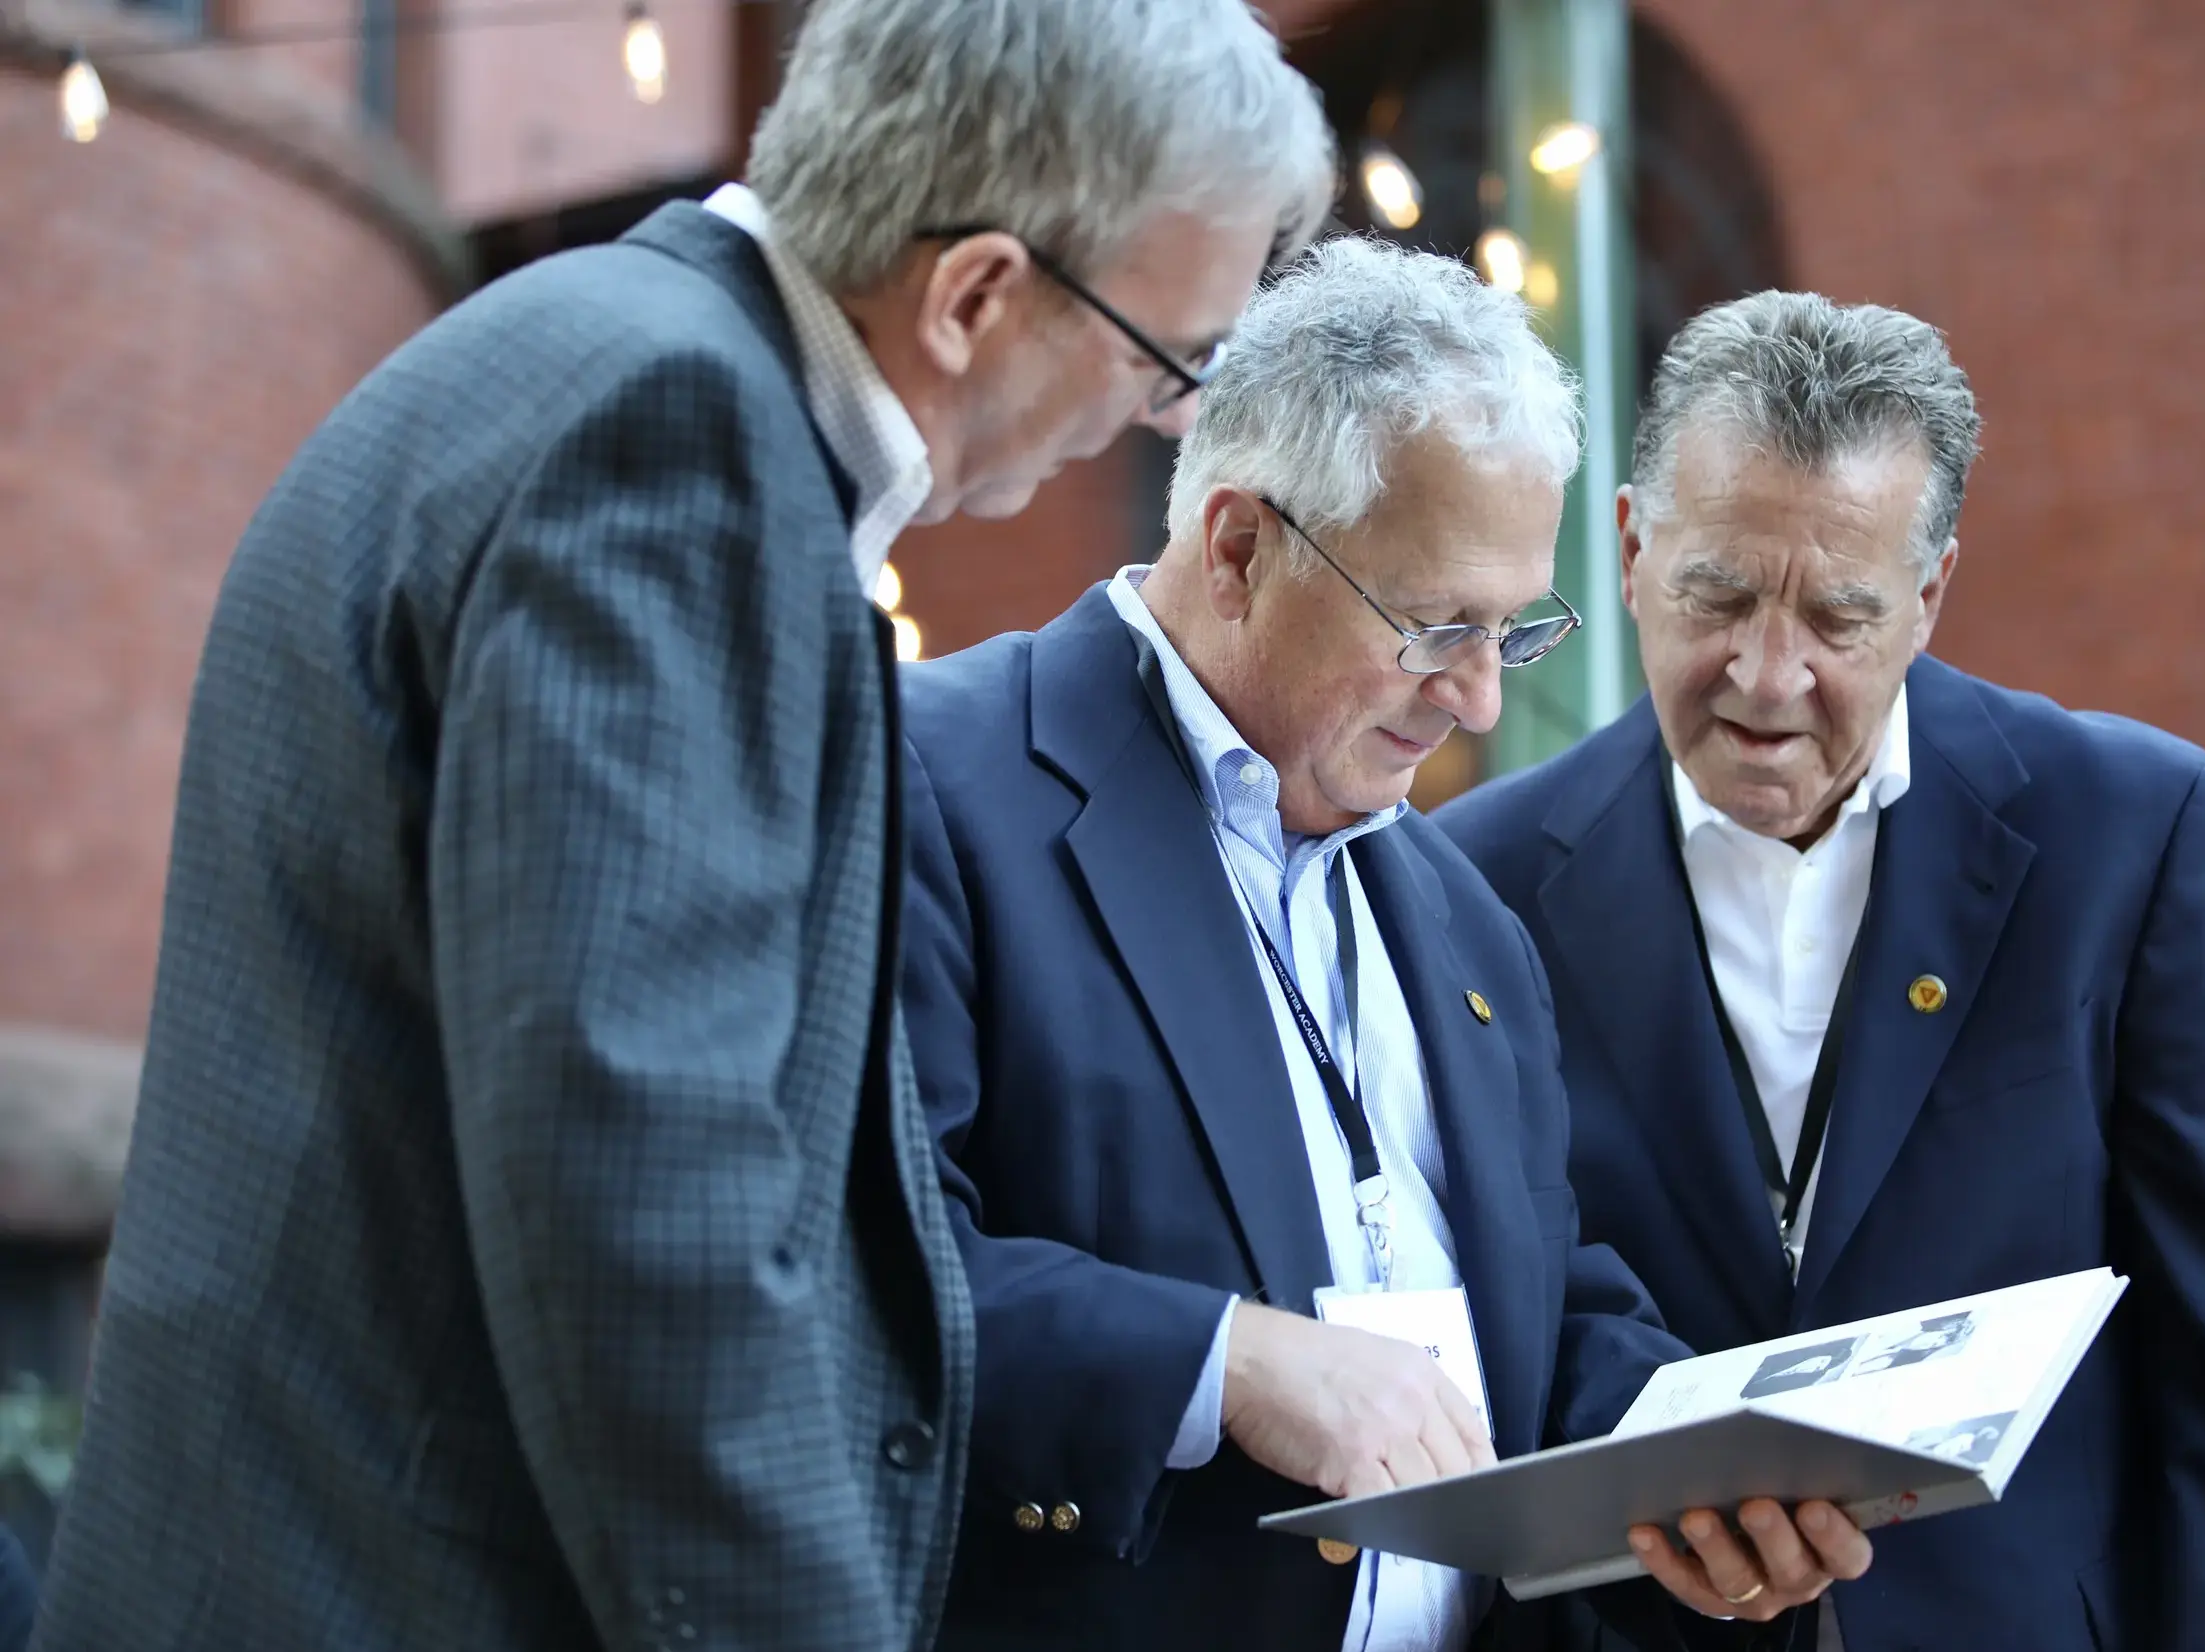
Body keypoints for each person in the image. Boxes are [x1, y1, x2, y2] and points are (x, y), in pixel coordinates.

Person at [34, 4, 1334, 1649]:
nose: (1157, 416)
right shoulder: (673, 441)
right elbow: (650, 1213)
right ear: (980, 294)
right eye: (1167, 358)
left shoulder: (602, 361)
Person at [897, 240, 1872, 1652]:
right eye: (1434, 629)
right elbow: (846, 1265)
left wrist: (1705, 1468)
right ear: (1239, 548)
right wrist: (1222, 1362)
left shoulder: (1461, 906)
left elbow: (1531, 1300)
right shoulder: (933, 781)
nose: (1476, 698)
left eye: (1512, 631)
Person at [1438, 292, 2205, 1649]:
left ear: (1929, 597)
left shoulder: (2131, 832)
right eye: (1720, 595)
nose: (1767, 675)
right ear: (1631, 548)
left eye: (1839, 617)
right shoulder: (1467, 879)